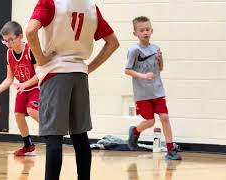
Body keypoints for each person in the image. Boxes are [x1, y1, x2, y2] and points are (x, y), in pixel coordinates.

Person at [26, 0, 119, 179]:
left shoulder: (50, 2)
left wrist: (41, 59)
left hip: (55, 74)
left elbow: (30, 31)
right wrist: (88, 68)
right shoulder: (91, 6)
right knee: (80, 137)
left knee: (54, 138)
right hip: (79, 74)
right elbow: (113, 43)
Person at [125, 16, 181, 160]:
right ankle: (135, 132)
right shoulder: (133, 50)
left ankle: (171, 150)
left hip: (157, 90)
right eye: (141, 30)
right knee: (150, 121)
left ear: (152, 31)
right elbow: (127, 70)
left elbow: (160, 69)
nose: (145, 32)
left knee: (165, 117)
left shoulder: (156, 48)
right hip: (142, 93)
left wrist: (161, 60)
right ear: (135, 33)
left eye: (147, 29)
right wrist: (143, 76)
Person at [0, 21, 39, 156]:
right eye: (5, 41)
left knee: (31, 110)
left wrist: (25, 84)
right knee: (18, 115)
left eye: (10, 40)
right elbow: (9, 79)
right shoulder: (9, 54)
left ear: (20, 36)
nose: (8, 44)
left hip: (36, 87)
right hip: (23, 88)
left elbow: (39, 74)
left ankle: (53, 133)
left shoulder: (30, 50)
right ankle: (28, 145)